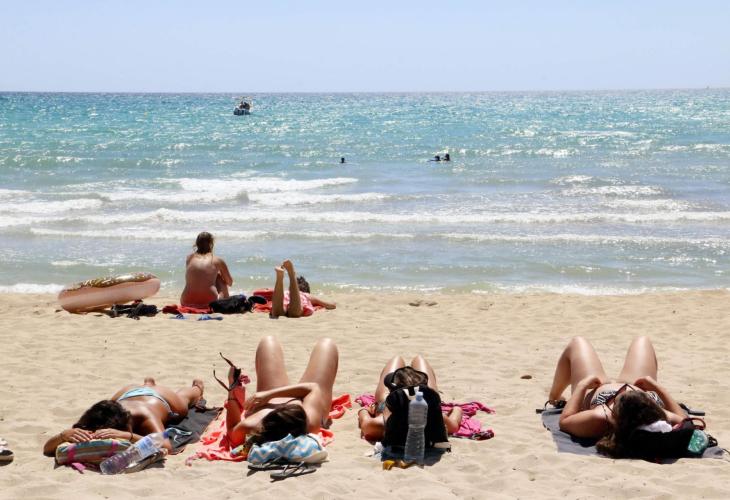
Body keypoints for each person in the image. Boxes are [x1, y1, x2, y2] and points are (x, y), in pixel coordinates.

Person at [547, 336, 687, 455]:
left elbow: (565, 421)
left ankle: (554, 396)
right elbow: (686, 422)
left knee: (577, 342)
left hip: (598, 391)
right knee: (642, 340)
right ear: (649, 406)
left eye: (619, 398)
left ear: (615, 413)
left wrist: (582, 386)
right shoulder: (656, 416)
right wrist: (658, 388)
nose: (623, 390)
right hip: (638, 387)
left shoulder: (600, 418)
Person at [222, 336, 339, 448]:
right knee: (327, 344)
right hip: (300, 397)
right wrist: (269, 395)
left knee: (268, 342)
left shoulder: (251, 426)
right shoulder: (309, 424)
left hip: (271, 402)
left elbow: (232, 428)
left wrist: (232, 386)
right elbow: (313, 388)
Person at [43, 378, 204, 456]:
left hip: (160, 397)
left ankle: (197, 388)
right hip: (126, 394)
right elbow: (47, 449)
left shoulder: (144, 415)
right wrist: (63, 435)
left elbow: (166, 446)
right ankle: (147, 382)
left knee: (184, 401)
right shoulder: (97, 417)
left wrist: (128, 436)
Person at [357, 355, 462, 442]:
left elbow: (363, 415)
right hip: (424, 407)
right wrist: (456, 409)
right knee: (419, 359)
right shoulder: (435, 419)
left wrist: (368, 409)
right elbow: (454, 425)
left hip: (384, 408)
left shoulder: (379, 424)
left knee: (397, 359)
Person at [181, 232, 233, 308]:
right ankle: (224, 302)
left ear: (196, 244)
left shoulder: (189, 258)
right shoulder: (217, 260)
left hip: (186, 302)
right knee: (219, 278)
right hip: (210, 303)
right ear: (211, 244)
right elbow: (230, 282)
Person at [269, 260, 335, 318]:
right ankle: (292, 276)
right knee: (294, 313)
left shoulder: (286, 292)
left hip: (284, 299)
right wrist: (333, 304)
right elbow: (328, 305)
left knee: (277, 313)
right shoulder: (306, 295)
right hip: (298, 303)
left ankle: (279, 278)